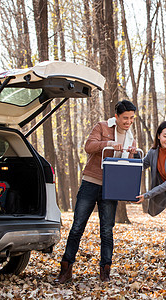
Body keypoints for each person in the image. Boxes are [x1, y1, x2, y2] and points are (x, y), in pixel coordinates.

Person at [55, 99, 137, 284]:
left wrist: (132, 153)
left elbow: (126, 163)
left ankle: (105, 271)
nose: (128, 122)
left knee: (107, 230)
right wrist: (109, 143)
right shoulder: (101, 126)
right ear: (116, 116)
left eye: (131, 118)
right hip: (91, 182)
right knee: (77, 227)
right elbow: (89, 146)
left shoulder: (130, 135)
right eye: (125, 118)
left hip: (112, 187)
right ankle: (66, 270)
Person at [136, 121, 166, 280]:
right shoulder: (154, 152)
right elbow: (140, 166)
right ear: (158, 136)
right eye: (165, 136)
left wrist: (147, 195)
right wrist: (131, 154)